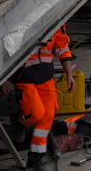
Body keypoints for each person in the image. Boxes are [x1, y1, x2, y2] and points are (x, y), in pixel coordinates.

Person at [10, 26, 75, 168]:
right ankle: (19, 120)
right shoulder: (24, 21)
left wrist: (69, 74)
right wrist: (4, 80)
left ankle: (35, 160)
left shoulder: (57, 23)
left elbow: (63, 49)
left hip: (46, 79)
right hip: (24, 78)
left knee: (46, 119)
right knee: (36, 114)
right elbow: (8, 51)